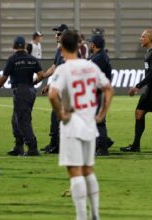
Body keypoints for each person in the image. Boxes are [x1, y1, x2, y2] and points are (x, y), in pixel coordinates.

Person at [48, 30, 113, 220]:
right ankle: (95, 214)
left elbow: (53, 94)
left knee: (75, 171)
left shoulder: (63, 69)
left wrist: (60, 113)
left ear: (61, 47)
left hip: (72, 124)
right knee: (88, 170)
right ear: (79, 46)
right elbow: (108, 89)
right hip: (89, 123)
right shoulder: (90, 66)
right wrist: (101, 113)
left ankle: (81, 216)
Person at [0, 36, 44, 156]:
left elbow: (3, 78)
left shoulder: (12, 59)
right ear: (24, 46)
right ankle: (18, 147)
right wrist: (33, 82)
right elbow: (41, 75)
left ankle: (32, 148)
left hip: (20, 91)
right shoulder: (32, 59)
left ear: (14, 46)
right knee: (15, 120)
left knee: (23, 121)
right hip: (30, 91)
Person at [37, 24, 69, 154]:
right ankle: (54, 143)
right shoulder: (59, 49)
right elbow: (55, 66)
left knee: (60, 116)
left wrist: (50, 85)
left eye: (59, 33)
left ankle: (59, 145)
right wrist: (42, 76)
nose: (56, 36)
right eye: (56, 33)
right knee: (55, 115)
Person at [88, 34, 114, 156]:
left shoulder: (98, 58)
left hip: (100, 93)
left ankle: (103, 147)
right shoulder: (100, 56)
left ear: (93, 44)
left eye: (90, 43)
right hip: (100, 92)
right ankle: (102, 142)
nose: (89, 45)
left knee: (99, 121)